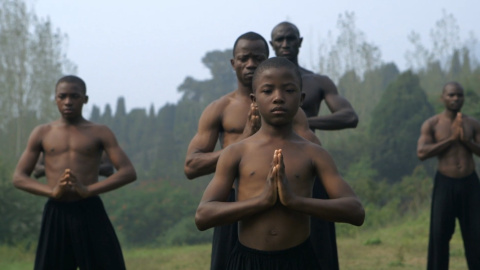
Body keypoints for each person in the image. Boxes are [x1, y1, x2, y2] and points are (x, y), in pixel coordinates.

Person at [195, 57, 365, 270]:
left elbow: (355, 211)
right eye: (267, 91)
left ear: (301, 98)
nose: (278, 98)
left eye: (289, 90)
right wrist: (261, 202)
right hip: (247, 261)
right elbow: (203, 215)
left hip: (299, 260)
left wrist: (295, 201)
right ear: (254, 99)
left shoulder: (315, 154)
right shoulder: (236, 153)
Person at [184, 32, 319, 270]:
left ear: (267, 59)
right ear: (233, 62)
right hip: (231, 201)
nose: (250, 64)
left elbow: (312, 152)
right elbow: (191, 166)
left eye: (257, 58)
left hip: (286, 204)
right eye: (244, 58)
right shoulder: (220, 109)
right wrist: (243, 142)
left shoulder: (291, 111)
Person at [13, 75, 137, 270]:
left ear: (85, 99)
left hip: (90, 209)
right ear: (55, 99)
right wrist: (52, 191)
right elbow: (19, 177)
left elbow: (128, 172)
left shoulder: (99, 132)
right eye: (62, 96)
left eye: (74, 96)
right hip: (56, 210)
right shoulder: (42, 132)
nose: (68, 101)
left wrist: (88, 189)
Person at [270, 21, 359, 269]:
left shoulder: (317, 82)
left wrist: (302, 120)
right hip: (270, 166)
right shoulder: (263, 85)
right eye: (280, 39)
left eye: (290, 38)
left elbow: (349, 116)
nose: (285, 44)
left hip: (309, 165)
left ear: (300, 42)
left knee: (320, 241)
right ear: (272, 44)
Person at [417, 82, 480, 270]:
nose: (455, 99)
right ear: (442, 98)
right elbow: (421, 153)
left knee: (476, 235)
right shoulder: (433, 124)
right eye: (451, 95)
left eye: (459, 95)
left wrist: (466, 141)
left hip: (470, 183)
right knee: (439, 235)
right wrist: (451, 140)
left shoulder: (472, 123)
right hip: (445, 184)